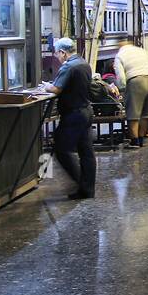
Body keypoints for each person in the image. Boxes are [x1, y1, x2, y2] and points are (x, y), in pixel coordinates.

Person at [42, 38, 95, 200]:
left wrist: (45, 86)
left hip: (74, 115)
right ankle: (87, 189)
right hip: (86, 111)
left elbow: (56, 89)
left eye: (57, 53)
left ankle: (80, 183)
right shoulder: (83, 63)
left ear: (63, 53)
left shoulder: (68, 66)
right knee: (86, 152)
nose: (57, 57)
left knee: (62, 149)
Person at [113, 34, 148, 148]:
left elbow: (121, 79)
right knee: (146, 114)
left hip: (136, 81)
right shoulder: (141, 51)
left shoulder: (120, 55)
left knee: (133, 114)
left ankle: (134, 141)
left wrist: (123, 90)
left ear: (119, 44)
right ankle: (141, 139)